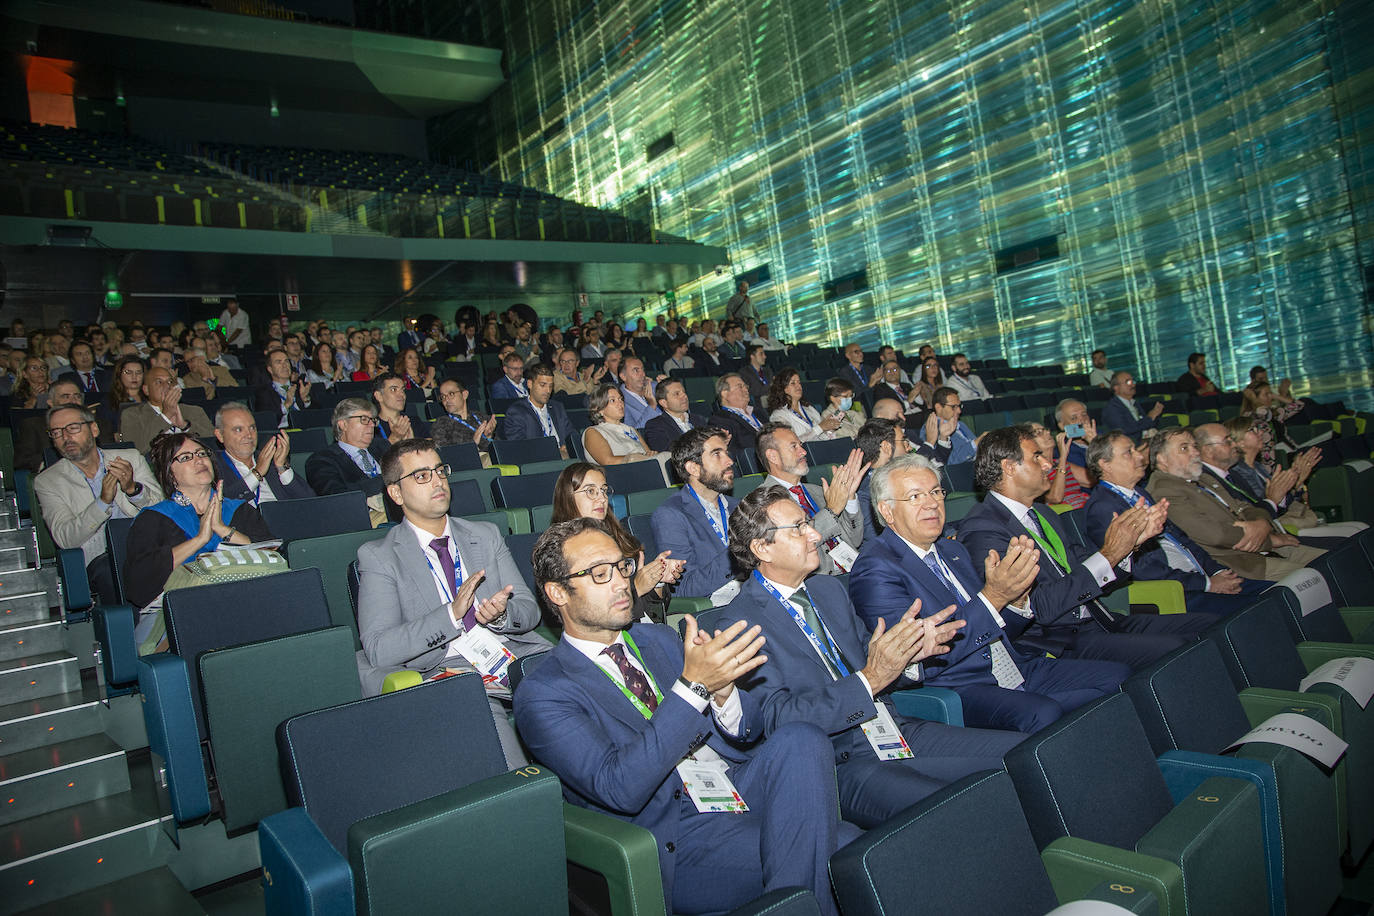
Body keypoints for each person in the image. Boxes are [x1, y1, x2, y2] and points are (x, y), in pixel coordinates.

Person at [516, 518, 854, 916]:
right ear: (558, 592)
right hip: (676, 833)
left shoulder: (658, 638)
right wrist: (693, 687)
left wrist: (725, 695)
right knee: (843, 850)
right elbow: (619, 788)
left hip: (733, 787)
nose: (622, 582)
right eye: (599, 573)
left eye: (623, 566)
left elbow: (748, 732)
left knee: (803, 739)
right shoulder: (543, 693)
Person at [715, 485, 1026, 827]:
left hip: (890, 729)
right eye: (799, 528)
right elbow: (780, 719)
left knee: (1025, 756)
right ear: (762, 548)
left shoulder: (828, 589)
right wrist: (873, 678)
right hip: (838, 760)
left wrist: (909, 655)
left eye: (808, 523)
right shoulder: (741, 621)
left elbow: (871, 656)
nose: (815, 535)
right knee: (956, 807)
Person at [850, 455, 1127, 731]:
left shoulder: (952, 550)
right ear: (887, 511)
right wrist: (994, 597)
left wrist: (1016, 602)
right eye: (915, 496)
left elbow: (995, 624)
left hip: (1012, 663)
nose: (932, 503)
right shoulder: (876, 568)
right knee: (1043, 712)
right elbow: (915, 661)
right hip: (958, 685)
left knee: (1118, 676)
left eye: (935, 491)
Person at [357, 438, 551, 764]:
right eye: (421, 476)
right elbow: (379, 647)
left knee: (589, 681)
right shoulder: (379, 557)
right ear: (396, 493)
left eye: (439, 471)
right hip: (450, 671)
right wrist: (451, 615)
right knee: (499, 745)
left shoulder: (485, 534)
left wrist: (502, 616)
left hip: (512, 653)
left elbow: (528, 611)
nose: (437, 481)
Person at [958, 425, 1211, 669]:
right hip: (1061, 640)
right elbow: (1039, 606)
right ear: (1009, 467)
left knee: (1209, 626)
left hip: (1101, 618)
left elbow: (1084, 563)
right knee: (1179, 649)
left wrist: (1129, 545)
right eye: (1037, 457)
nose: (1049, 464)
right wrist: (1110, 553)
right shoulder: (983, 529)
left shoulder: (1044, 513)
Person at [1083, 431, 1268, 617]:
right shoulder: (1104, 508)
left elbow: (1182, 538)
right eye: (1128, 452)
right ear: (1104, 464)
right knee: (1266, 608)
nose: (1140, 455)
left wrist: (1217, 571)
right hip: (1176, 592)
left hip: (1198, 577)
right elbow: (1142, 570)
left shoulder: (1139, 493)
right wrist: (1207, 584)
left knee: (1281, 591)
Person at [124, 431, 273, 640]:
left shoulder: (240, 510)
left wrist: (223, 530)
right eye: (185, 457)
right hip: (175, 611)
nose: (198, 460)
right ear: (169, 474)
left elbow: (273, 558)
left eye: (201, 454)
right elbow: (139, 585)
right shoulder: (153, 519)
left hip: (241, 601)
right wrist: (199, 540)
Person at [1145, 427, 1326, 580]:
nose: (1195, 452)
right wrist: (1267, 540)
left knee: (1330, 560)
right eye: (1184, 448)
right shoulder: (1164, 491)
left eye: (1194, 446)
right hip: (1240, 563)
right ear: (1161, 459)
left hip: (1260, 545)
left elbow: (1246, 507)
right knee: (1319, 576)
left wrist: (1261, 524)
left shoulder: (1202, 478)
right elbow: (1216, 535)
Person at [34, 403, 164, 601]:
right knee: (115, 569)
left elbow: (162, 511)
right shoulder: (48, 481)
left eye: (73, 428)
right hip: (102, 558)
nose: (65, 437)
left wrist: (132, 489)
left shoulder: (129, 458)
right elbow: (65, 538)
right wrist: (103, 502)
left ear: (94, 429)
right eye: (57, 432)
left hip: (147, 545)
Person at [551, 463, 684, 622]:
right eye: (591, 491)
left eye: (604, 491)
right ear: (568, 497)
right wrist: (637, 589)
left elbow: (651, 612)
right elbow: (583, 615)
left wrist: (657, 580)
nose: (602, 498)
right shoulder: (558, 549)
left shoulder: (619, 537)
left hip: (642, 630)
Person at [1192, 422, 1357, 545]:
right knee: (1350, 539)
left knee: (1357, 530)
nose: (1260, 433)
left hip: (1278, 526)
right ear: (1240, 441)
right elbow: (1263, 508)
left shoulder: (1256, 467)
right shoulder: (1237, 472)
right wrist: (1292, 485)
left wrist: (1297, 483)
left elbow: (1275, 503)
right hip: (1275, 530)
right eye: (1251, 430)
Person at [756, 423, 864, 575]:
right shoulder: (764, 502)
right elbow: (793, 549)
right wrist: (831, 511)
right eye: (794, 446)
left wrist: (850, 499)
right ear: (773, 456)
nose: (803, 452)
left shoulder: (818, 491)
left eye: (801, 445)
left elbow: (855, 540)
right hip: (818, 583)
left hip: (855, 569)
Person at [650, 428, 740, 601]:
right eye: (717, 454)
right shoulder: (671, 516)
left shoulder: (739, 507)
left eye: (727, 453)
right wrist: (738, 554)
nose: (729, 461)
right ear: (694, 468)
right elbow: (683, 588)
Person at [212, 403, 314, 506]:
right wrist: (257, 473)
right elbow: (222, 504)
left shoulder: (270, 458)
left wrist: (282, 468)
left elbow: (310, 501)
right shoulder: (213, 466)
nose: (249, 435)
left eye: (252, 428)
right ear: (220, 435)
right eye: (239, 430)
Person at [305, 398, 390, 504]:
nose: (372, 425)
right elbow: (337, 497)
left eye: (373, 420)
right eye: (364, 419)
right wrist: (390, 480)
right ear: (343, 424)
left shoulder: (383, 446)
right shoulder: (321, 460)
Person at [119, 367, 214, 453]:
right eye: (159, 382)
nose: (166, 386)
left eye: (170, 382)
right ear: (146, 390)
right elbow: (136, 450)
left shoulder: (194, 411)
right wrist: (165, 417)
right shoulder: (132, 414)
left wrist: (185, 426)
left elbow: (213, 443)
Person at [852, 418, 908, 543]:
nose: (908, 448)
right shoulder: (867, 493)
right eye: (903, 441)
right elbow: (876, 540)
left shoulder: (902, 478)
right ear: (887, 447)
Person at [582, 383, 665, 467]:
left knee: (665, 456)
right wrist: (633, 458)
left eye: (620, 399)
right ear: (599, 409)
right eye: (612, 400)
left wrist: (652, 454)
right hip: (621, 474)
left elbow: (648, 454)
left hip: (644, 467)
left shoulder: (631, 429)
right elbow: (608, 461)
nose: (620, 403)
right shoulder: (593, 432)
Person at [503, 362, 574, 455]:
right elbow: (519, 446)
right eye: (543, 385)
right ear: (529, 384)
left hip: (564, 455)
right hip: (539, 458)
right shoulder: (516, 411)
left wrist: (569, 446)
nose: (548, 391)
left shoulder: (557, 407)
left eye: (551, 386)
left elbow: (572, 434)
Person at [1239, 383, 1303, 473]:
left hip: (1288, 451)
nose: (1270, 397)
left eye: (1271, 393)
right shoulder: (1249, 416)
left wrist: (1276, 396)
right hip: (1269, 462)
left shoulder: (1274, 413)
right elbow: (1263, 414)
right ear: (1254, 398)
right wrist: (1253, 400)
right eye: (1266, 394)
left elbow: (1299, 405)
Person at [768, 368, 841, 442]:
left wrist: (829, 428)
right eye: (793, 383)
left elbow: (822, 436)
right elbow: (791, 443)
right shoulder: (779, 415)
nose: (798, 386)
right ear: (783, 388)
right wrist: (820, 427)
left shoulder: (809, 409)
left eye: (799, 382)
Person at [1048, 398, 1096, 509]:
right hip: (1091, 500)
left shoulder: (1102, 438)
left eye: (1084, 415)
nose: (1082, 421)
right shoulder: (1062, 451)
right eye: (1074, 418)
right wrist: (1095, 445)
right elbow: (1091, 480)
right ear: (1062, 425)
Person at [915, 387, 976, 470]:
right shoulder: (931, 429)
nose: (959, 411)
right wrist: (975, 444)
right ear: (938, 407)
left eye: (959, 406)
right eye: (953, 407)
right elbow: (947, 462)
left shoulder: (961, 424)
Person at [252, 348, 314, 429]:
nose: (284, 365)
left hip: (304, 431)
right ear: (270, 369)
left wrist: (305, 400)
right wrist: (286, 405)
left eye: (286, 361)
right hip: (281, 433)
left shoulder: (301, 386)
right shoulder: (264, 393)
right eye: (278, 362)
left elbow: (316, 416)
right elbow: (266, 421)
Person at [643, 378, 708, 452]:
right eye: (677, 394)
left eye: (684, 392)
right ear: (664, 403)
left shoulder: (699, 420)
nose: (684, 396)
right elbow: (665, 451)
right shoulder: (655, 425)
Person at [431, 378, 496, 451]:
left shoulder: (482, 418)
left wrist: (489, 436)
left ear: (464, 394)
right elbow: (446, 454)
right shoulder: (441, 424)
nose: (446, 399)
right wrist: (472, 444)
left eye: (451, 394)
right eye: (443, 396)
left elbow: (498, 450)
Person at [709, 373, 763, 455]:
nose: (746, 390)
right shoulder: (720, 420)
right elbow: (733, 453)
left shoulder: (759, 412)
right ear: (725, 394)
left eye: (746, 386)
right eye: (740, 387)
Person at [1101, 371, 1164, 441]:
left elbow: (1147, 424)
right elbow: (1124, 430)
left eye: (1133, 381)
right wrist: (1150, 417)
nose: (1133, 385)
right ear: (1116, 388)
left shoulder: (1134, 403)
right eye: (1128, 382)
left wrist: (1154, 415)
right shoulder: (1111, 408)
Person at [371, 372, 431, 445]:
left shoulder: (413, 421)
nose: (401, 394)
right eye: (393, 390)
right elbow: (375, 455)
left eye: (402, 390)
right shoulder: (371, 427)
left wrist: (412, 443)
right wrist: (394, 439)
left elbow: (431, 448)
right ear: (379, 396)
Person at [620, 356, 662, 428]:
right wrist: (652, 406)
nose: (643, 374)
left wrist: (669, 386)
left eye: (643, 370)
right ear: (623, 376)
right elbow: (634, 433)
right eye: (636, 370)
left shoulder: (656, 386)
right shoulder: (621, 401)